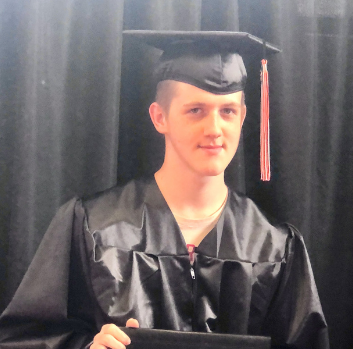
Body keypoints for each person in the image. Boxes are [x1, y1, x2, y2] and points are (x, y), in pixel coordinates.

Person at [0, 31, 329, 349]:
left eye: (227, 111)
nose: (215, 129)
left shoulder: (274, 247)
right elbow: (23, 337)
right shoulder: (93, 226)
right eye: (195, 110)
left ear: (242, 117)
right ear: (160, 118)